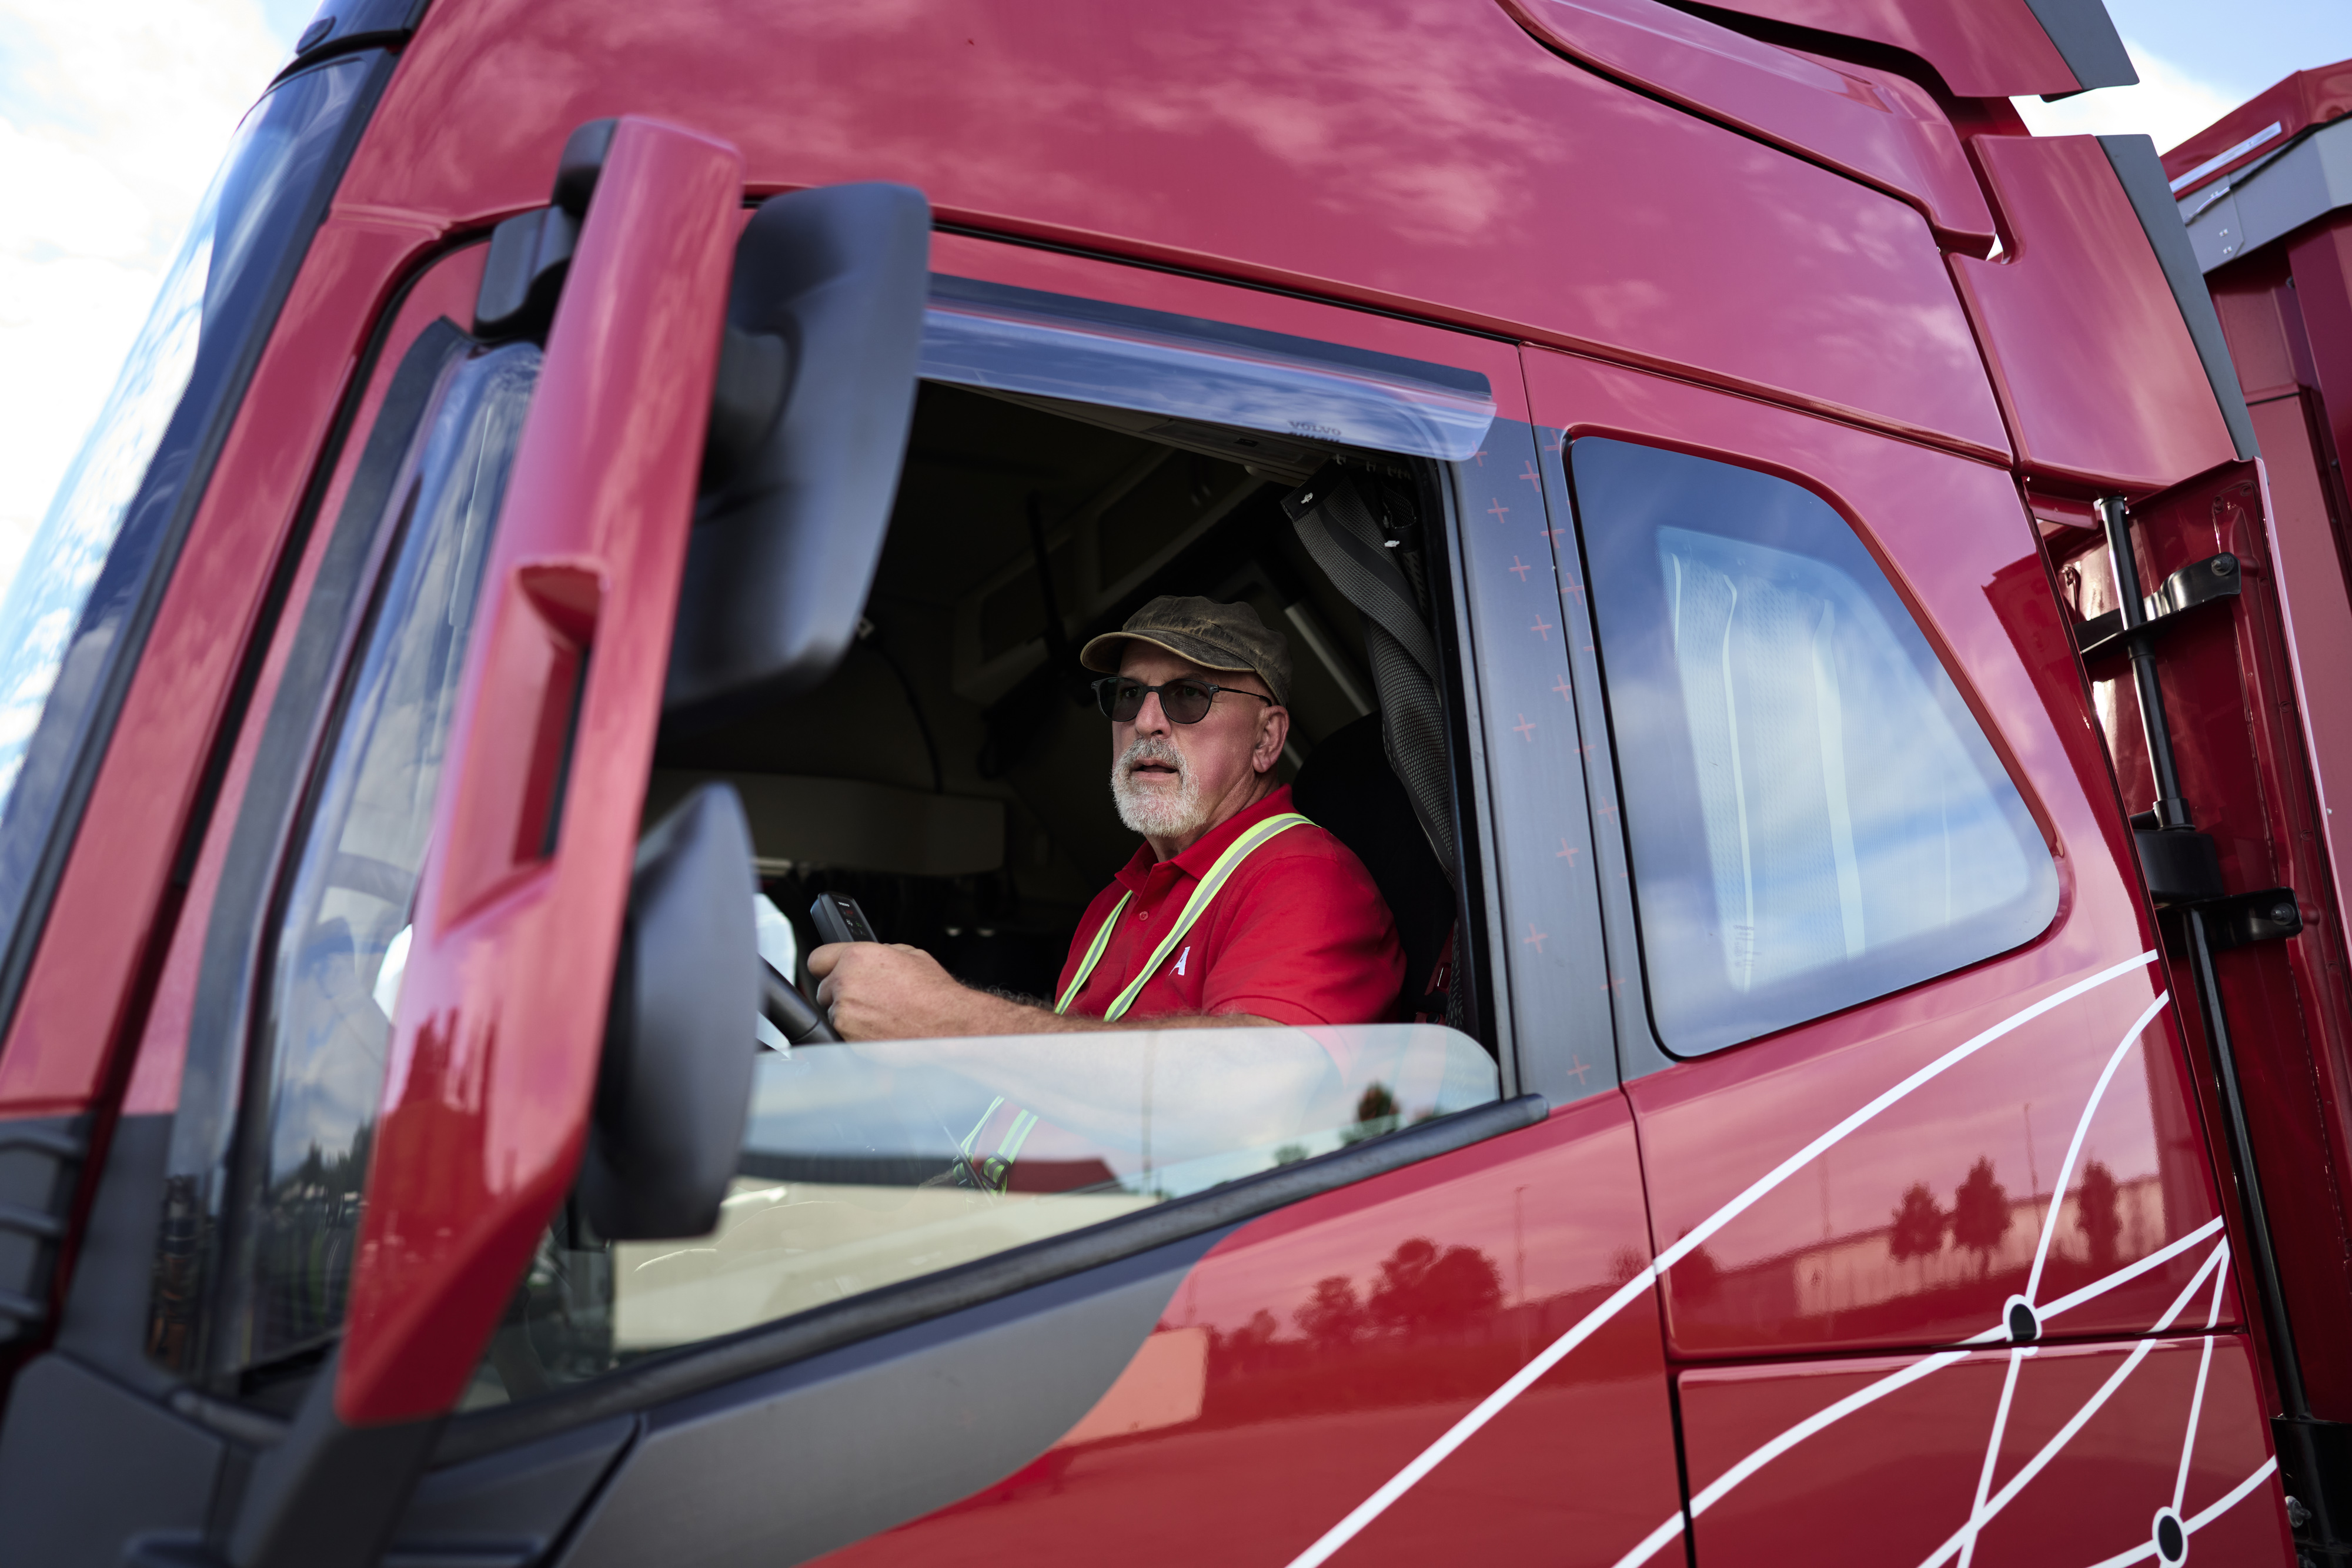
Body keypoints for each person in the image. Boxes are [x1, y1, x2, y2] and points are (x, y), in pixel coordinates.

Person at [809, 595, 1405, 1040]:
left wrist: (949, 1017)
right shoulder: (1114, 903)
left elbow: (1246, 1096)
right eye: (1128, 694)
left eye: (1188, 695)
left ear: (1266, 738)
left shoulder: (1304, 877)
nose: (1145, 721)